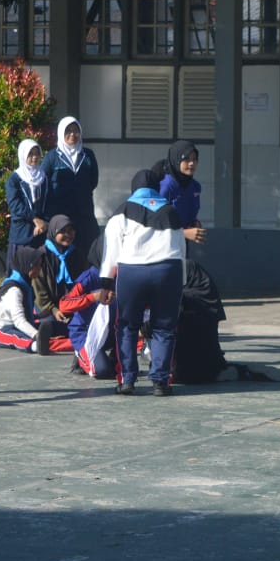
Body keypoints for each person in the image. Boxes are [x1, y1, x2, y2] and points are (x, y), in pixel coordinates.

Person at [100, 169, 186, 396]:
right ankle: (161, 382)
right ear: (156, 188)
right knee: (164, 328)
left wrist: (106, 283)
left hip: (132, 272)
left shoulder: (123, 211)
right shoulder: (171, 211)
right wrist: (182, 282)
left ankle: (127, 380)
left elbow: (111, 251)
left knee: (127, 326)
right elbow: (182, 249)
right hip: (168, 270)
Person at [59, 236, 117, 379]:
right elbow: (64, 305)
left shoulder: (121, 275)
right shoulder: (89, 277)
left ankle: (111, 358)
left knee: (123, 368)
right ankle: (81, 353)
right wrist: (94, 297)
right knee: (101, 371)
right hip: (86, 332)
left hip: (112, 332)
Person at [40, 116, 100, 247]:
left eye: (76, 130)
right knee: (63, 250)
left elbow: (93, 181)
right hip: (60, 215)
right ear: (61, 133)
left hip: (84, 213)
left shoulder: (88, 155)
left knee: (86, 248)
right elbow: (43, 183)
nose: (72, 134)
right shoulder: (52, 156)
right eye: (68, 131)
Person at [32, 213, 85, 356]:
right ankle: (46, 337)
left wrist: (74, 306)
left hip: (71, 305)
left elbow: (83, 284)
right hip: (48, 307)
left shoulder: (76, 254)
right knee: (49, 323)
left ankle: (57, 338)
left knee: (81, 323)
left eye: (71, 231)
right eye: (63, 232)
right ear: (53, 232)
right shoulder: (41, 255)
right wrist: (54, 309)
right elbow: (39, 290)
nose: (68, 235)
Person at [0, 246, 46, 353]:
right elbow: (19, 321)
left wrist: (40, 316)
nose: (39, 268)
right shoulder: (14, 290)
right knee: (15, 338)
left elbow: (22, 315)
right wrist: (37, 334)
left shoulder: (26, 286)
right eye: (36, 265)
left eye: (40, 265)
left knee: (44, 327)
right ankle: (35, 346)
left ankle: (48, 339)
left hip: (15, 326)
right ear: (26, 265)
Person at [4, 138, 47, 274]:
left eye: (37, 153)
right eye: (30, 154)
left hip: (40, 233)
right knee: (19, 273)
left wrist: (44, 222)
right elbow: (15, 206)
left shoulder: (43, 177)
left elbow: (48, 201)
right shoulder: (15, 179)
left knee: (39, 274)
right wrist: (35, 219)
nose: (34, 157)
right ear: (23, 155)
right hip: (22, 233)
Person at [155, 140, 206, 245]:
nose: (191, 163)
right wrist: (184, 233)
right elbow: (155, 225)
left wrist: (195, 223)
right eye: (186, 159)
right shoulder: (167, 186)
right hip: (163, 247)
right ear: (176, 160)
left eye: (194, 159)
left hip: (182, 245)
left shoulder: (195, 187)